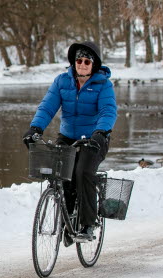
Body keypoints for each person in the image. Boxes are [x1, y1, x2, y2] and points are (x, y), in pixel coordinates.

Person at [22, 41, 118, 244]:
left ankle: (87, 224)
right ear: (73, 63)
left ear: (94, 64)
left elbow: (108, 111)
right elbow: (47, 107)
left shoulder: (103, 85)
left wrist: (101, 132)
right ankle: (68, 221)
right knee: (61, 176)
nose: (82, 64)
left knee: (83, 172)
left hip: (94, 138)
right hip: (67, 136)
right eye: (78, 60)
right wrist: (35, 129)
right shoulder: (61, 81)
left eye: (86, 61)